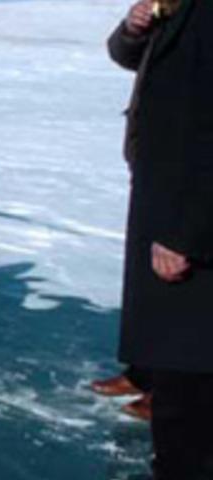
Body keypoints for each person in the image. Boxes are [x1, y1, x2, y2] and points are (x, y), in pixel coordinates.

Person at [109, 0, 213, 476]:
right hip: (167, 194)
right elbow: (132, 55)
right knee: (175, 371)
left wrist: (185, 230)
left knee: (188, 387)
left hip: (189, 216)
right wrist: (134, 29)